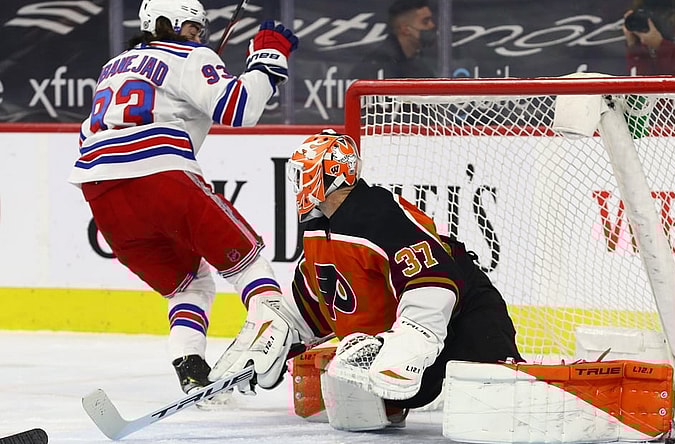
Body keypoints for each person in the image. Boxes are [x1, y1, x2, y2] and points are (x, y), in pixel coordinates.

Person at [208, 129, 522, 429]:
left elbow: (434, 280)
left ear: (331, 174)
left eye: (304, 172)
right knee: (352, 400)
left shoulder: (378, 212)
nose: (298, 182)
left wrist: (411, 340)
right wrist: (279, 334)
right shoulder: (319, 229)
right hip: (407, 336)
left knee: (497, 411)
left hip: (466, 318)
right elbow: (316, 303)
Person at [67, 0, 299, 398]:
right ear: (166, 23)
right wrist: (268, 59)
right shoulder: (190, 54)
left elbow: (101, 131)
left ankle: (190, 367)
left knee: (189, 287)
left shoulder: (113, 67)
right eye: (192, 25)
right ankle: (272, 324)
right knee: (247, 258)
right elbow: (240, 109)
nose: (199, 33)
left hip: (102, 197)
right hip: (160, 179)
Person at [350, 0, 437, 79]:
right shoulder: (378, 67)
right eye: (425, 21)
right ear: (405, 29)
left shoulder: (419, 66)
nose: (432, 25)